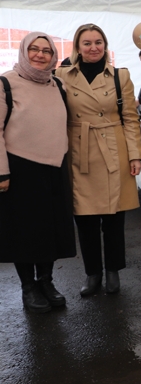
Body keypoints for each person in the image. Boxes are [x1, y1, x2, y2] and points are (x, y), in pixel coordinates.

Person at [55, 24, 141, 296]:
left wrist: (135, 155)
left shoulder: (120, 76)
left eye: (98, 42)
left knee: (114, 218)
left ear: (105, 45)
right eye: (87, 43)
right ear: (77, 47)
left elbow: (130, 118)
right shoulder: (61, 75)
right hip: (79, 150)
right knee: (85, 219)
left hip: (113, 148)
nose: (93, 48)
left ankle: (113, 271)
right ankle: (92, 273)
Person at [0, 32, 76, 313]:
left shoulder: (58, 84)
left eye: (46, 50)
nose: (40, 55)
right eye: (34, 49)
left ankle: (46, 281)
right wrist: (2, 172)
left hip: (55, 166)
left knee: (50, 229)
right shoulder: (6, 83)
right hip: (20, 168)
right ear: (24, 51)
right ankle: (28, 287)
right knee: (24, 231)